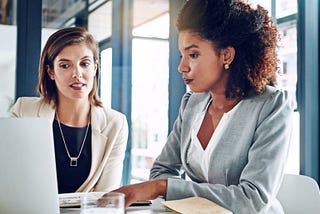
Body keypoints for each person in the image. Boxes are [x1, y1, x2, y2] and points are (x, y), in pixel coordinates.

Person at [99, 0, 294, 213]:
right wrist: (167, 188)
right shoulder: (192, 103)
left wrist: (163, 187)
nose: (181, 66)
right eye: (182, 55)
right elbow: (162, 169)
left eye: (193, 55)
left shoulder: (271, 105)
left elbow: (252, 199)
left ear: (226, 55)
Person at [10, 27, 128, 194]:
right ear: (50, 71)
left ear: (95, 68)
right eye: (65, 65)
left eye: (85, 64)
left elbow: (106, 195)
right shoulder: (24, 111)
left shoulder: (115, 123)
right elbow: (11, 177)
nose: (77, 73)